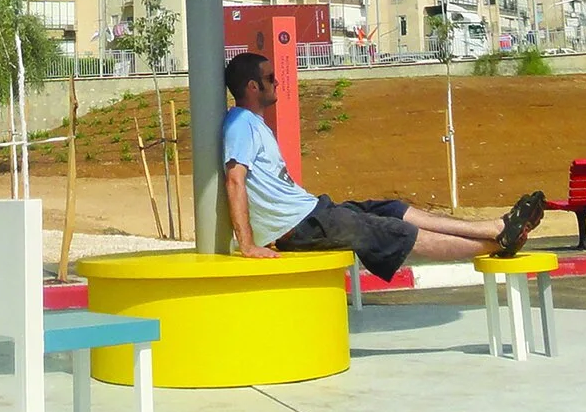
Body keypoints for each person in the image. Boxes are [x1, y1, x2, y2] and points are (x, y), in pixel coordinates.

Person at [221, 51, 544, 280]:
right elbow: (235, 181)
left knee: (392, 209)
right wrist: (247, 244)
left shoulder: (254, 124)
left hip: (313, 212)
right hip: (302, 225)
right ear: (252, 87)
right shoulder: (240, 125)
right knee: (394, 232)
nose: (277, 82)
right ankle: (498, 240)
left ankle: (495, 227)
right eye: (270, 78)